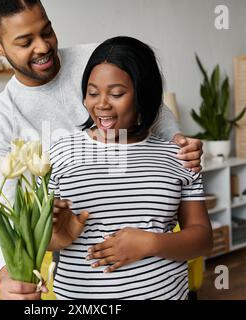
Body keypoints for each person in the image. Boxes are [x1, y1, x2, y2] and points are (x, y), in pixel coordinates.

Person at [0, 0, 204, 300]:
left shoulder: (97, 59)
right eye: (25, 42)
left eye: (47, 31)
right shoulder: (6, 117)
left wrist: (180, 146)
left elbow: (155, 111)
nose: (43, 47)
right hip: (83, 281)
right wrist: (6, 271)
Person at [47, 36, 213, 299]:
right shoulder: (60, 153)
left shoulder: (180, 156)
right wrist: (59, 236)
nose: (101, 104)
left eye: (116, 94)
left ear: (143, 95)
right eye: (92, 93)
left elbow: (203, 239)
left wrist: (150, 243)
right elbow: (43, 243)